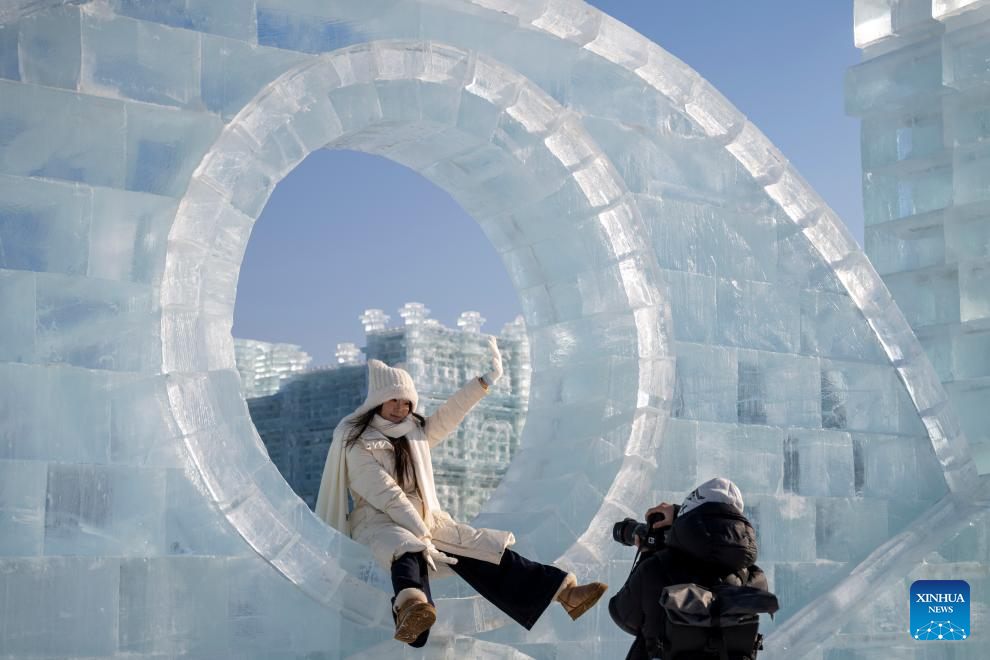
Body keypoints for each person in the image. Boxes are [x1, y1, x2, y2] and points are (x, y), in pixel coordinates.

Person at [316, 337, 607, 646]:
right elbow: (387, 494)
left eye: (407, 402)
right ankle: (411, 609)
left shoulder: (413, 433)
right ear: (378, 401)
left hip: (427, 519)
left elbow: (448, 416)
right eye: (395, 401)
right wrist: (421, 533)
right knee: (405, 547)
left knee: (481, 548)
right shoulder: (358, 442)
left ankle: (565, 592)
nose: (402, 408)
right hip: (377, 521)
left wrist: (483, 382)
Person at [608, 478, 769, 660]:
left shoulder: (655, 570)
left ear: (689, 513)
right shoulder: (754, 580)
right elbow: (718, 535)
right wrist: (679, 517)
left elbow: (622, 615)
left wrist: (647, 552)